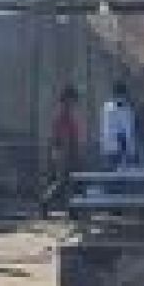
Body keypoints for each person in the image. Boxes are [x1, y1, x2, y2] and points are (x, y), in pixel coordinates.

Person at [45, 85, 84, 214]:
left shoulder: (67, 114)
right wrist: (68, 152)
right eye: (72, 99)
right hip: (63, 152)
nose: (74, 103)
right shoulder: (63, 114)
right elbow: (62, 136)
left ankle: (71, 209)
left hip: (66, 151)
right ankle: (45, 202)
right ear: (67, 99)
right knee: (62, 182)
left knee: (68, 182)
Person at [99, 80, 137, 169]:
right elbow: (125, 131)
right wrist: (130, 150)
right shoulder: (124, 108)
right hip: (119, 149)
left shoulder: (106, 107)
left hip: (109, 148)